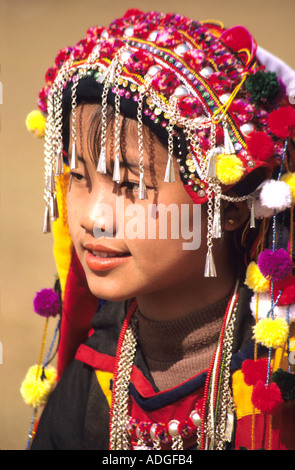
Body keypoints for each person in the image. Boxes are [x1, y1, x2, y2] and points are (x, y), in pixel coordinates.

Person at [23, 9, 295, 450]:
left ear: (230, 207)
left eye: (130, 184)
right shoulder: (91, 375)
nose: (94, 217)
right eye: (77, 177)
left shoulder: (275, 374)